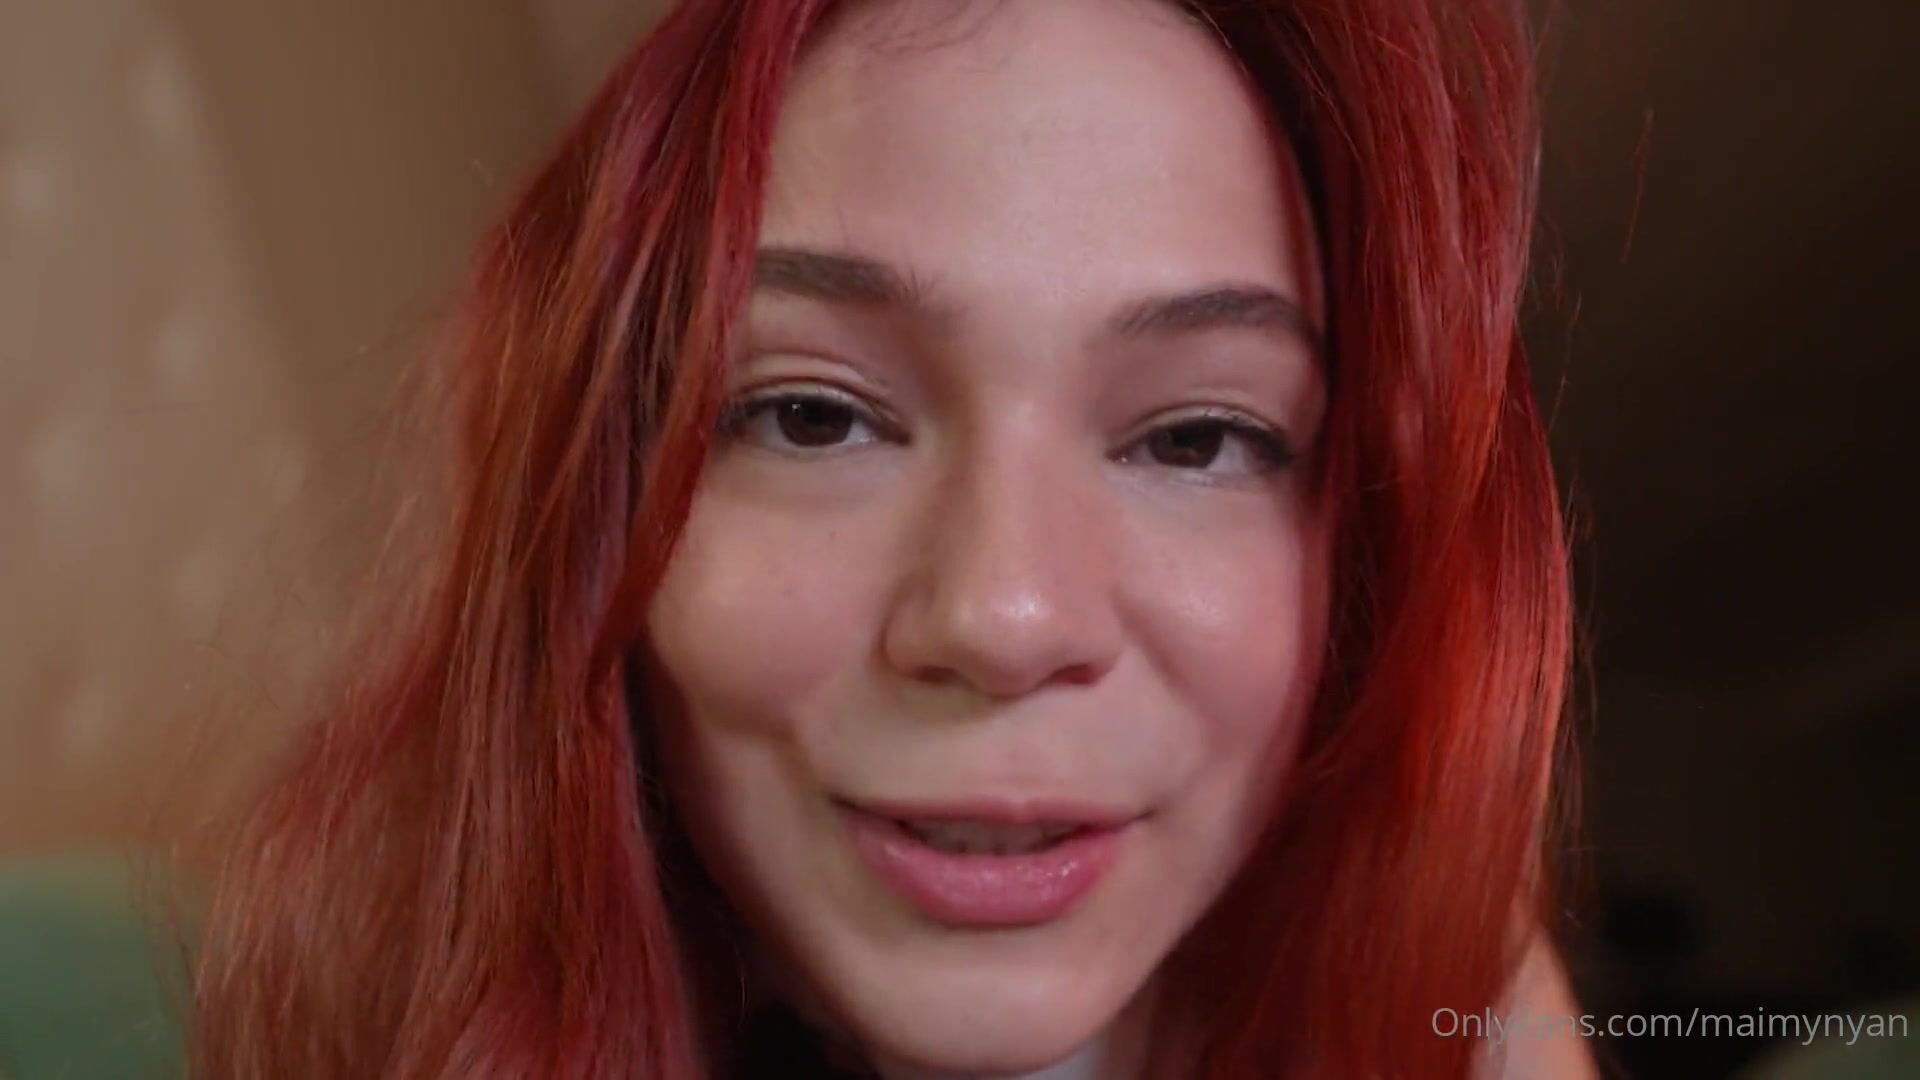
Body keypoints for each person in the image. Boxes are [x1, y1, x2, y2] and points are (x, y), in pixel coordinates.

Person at [190, 1, 1587, 1076]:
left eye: (1194, 439)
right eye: (812, 418)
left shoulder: (1455, 991)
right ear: (598, 520)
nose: (1003, 615)